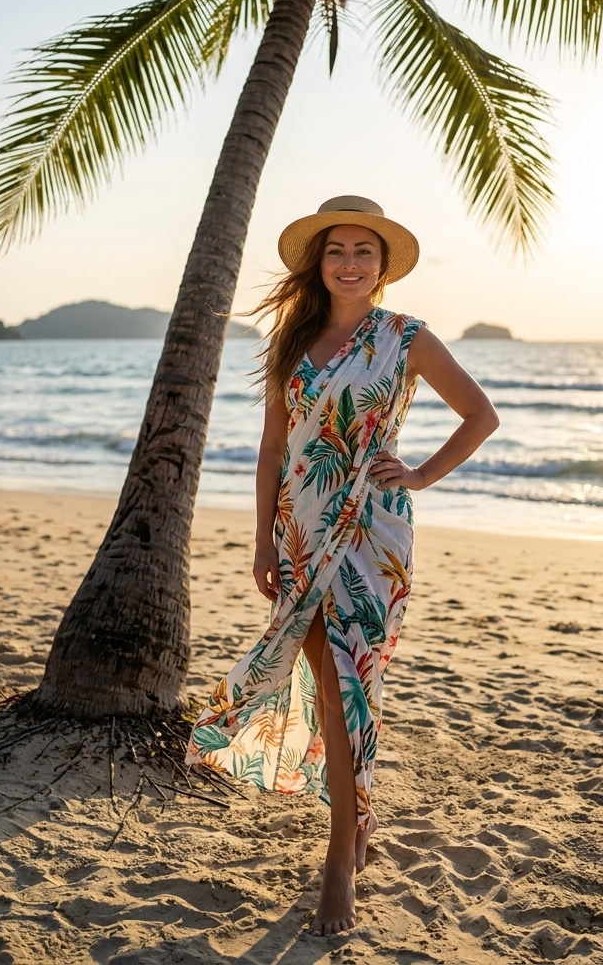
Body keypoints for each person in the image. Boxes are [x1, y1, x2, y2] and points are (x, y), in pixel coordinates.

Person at [186, 196, 500, 936]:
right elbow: (272, 447)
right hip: (300, 531)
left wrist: (419, 475)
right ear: (318, 263)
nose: (351, 262)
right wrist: (263, 539)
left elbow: (480, 415)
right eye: (337, 250)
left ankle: (337, 863)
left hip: (372, 533)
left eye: (364, 250)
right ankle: (355, 824)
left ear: (383, 265)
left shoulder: (406, 337)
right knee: (333, 687)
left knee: (351, 685)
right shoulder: (292, 340)